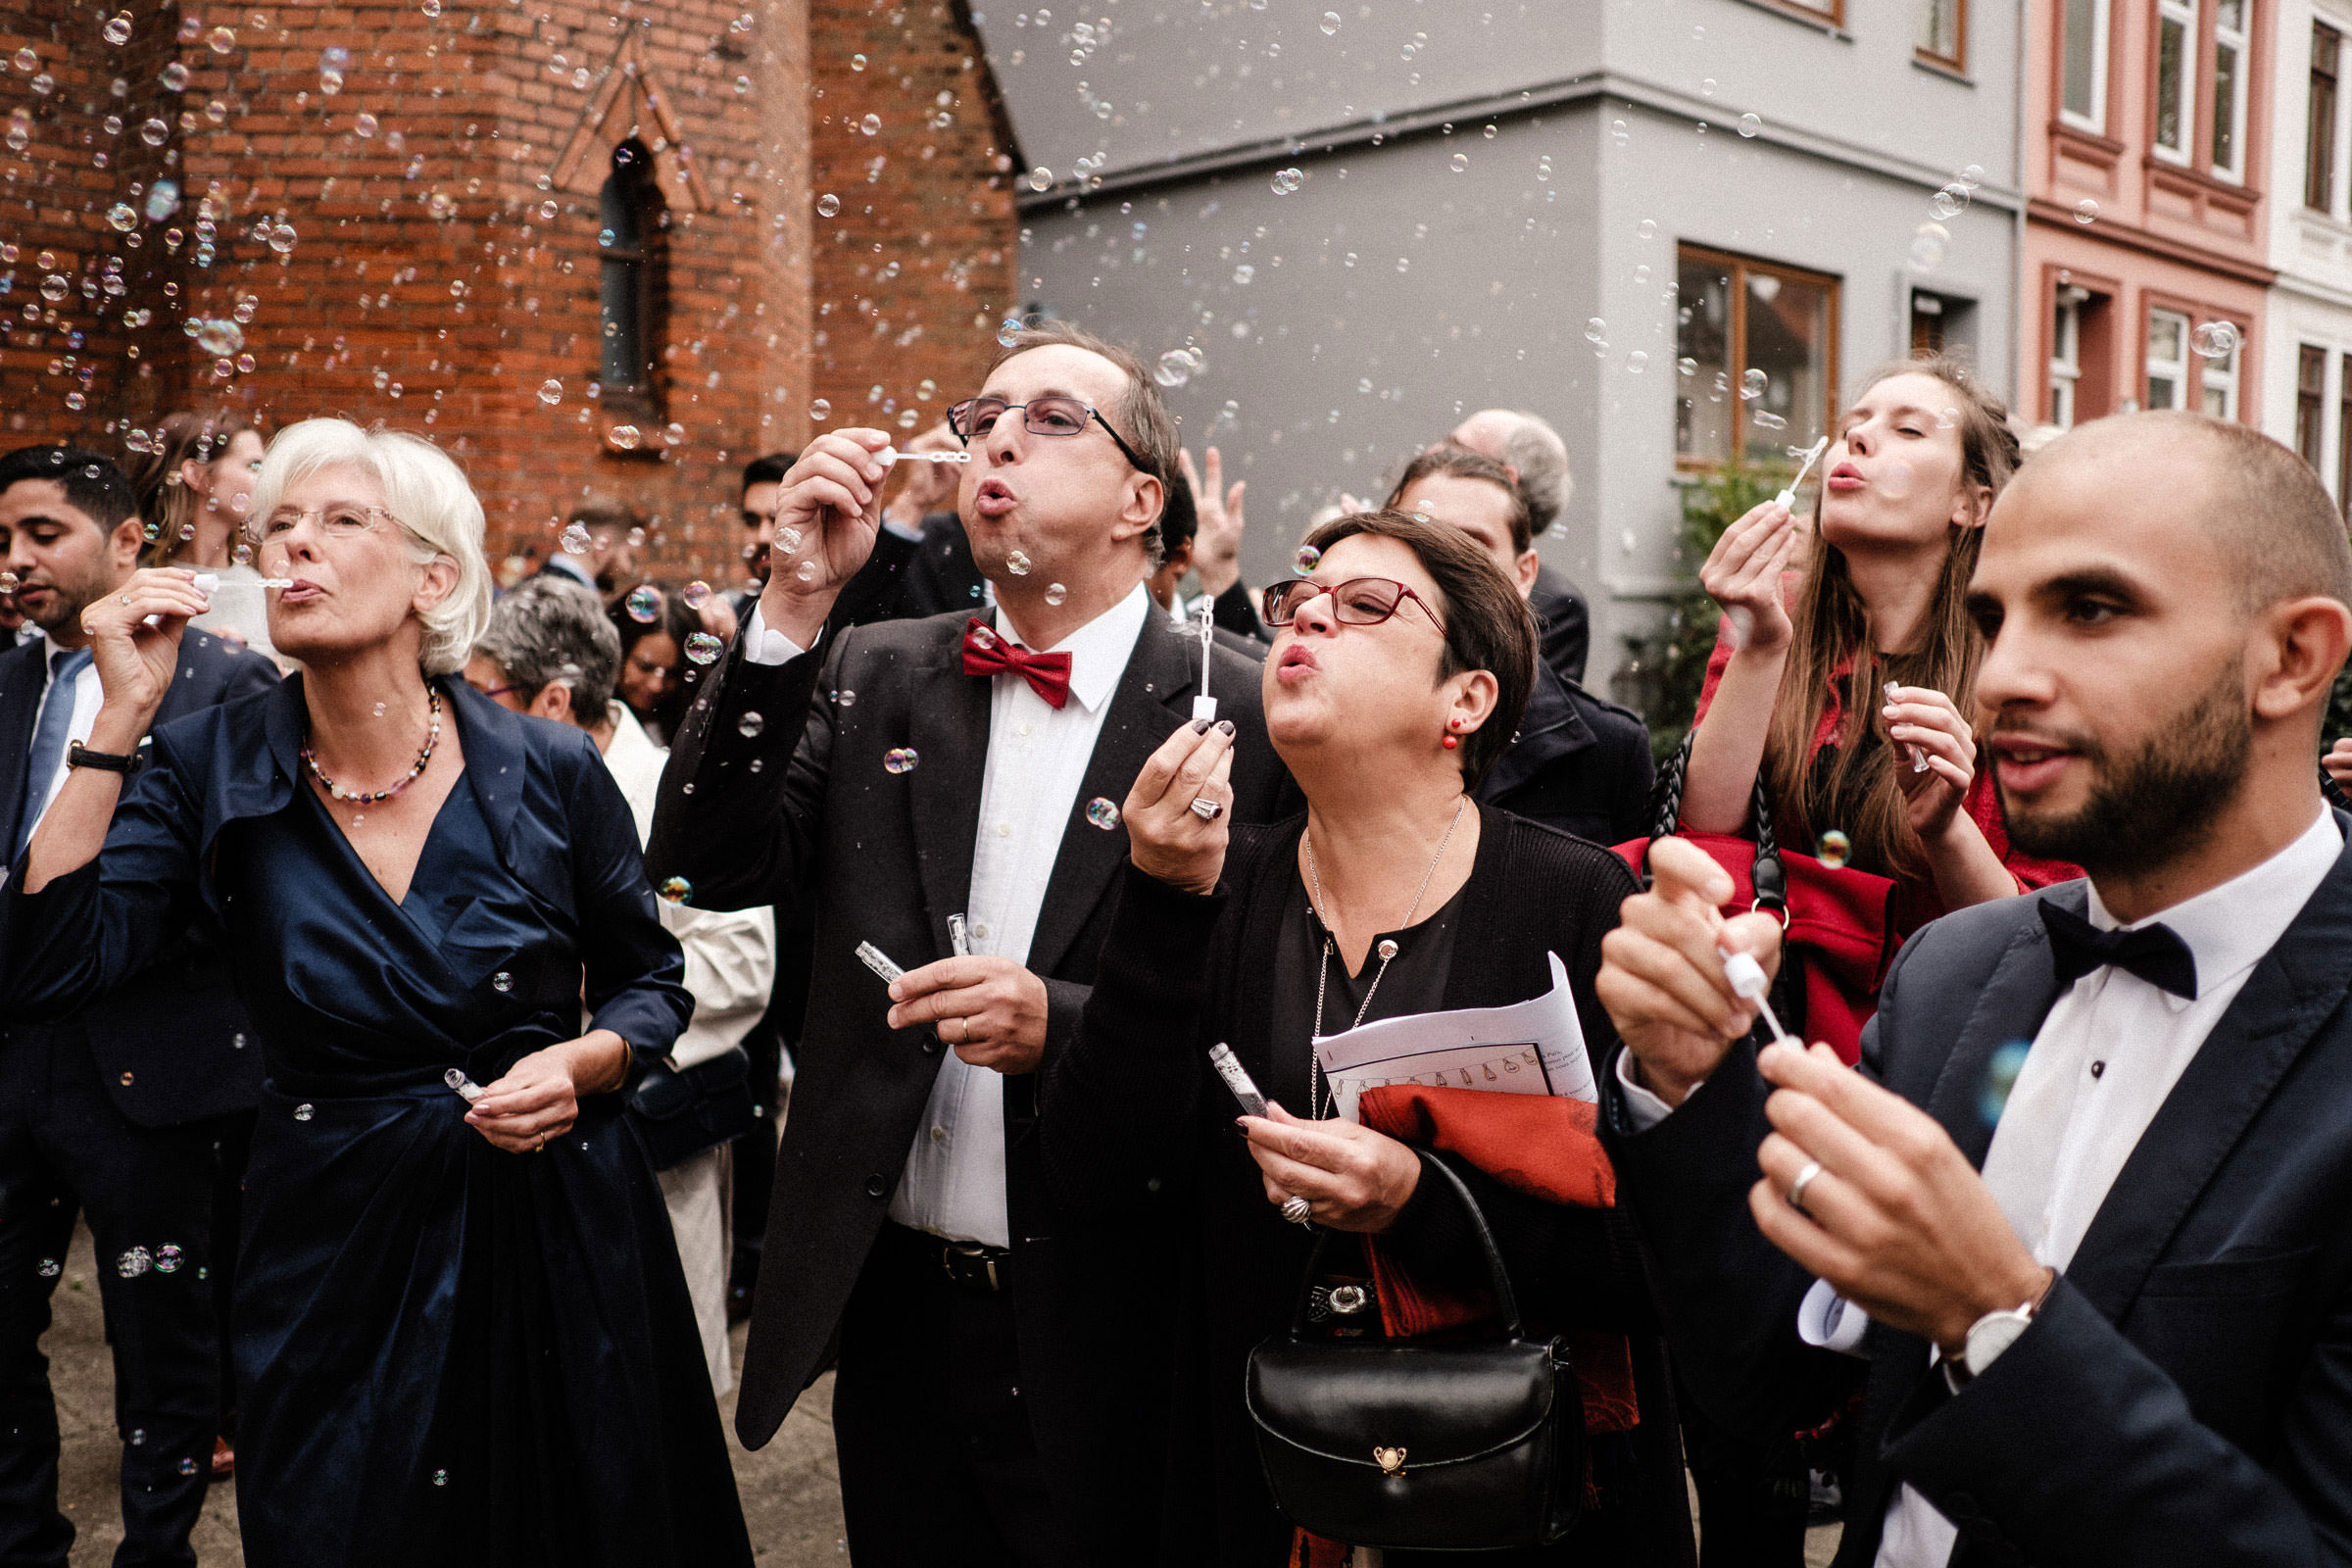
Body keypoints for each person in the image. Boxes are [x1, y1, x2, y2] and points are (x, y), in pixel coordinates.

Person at [1597, 410, 2352, 1568]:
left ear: (2293, 658)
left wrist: (1997, 1321)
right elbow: (1770, 1375)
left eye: (2091, 609)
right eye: (1993, 617)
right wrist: (1684, 1076)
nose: (2002, 677)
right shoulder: (1957, 972)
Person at [1, 419, 754, 1566]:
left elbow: (653, 981)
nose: (292, 547)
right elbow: (54, 962)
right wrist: (118, 722)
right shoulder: (206, 758)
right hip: (327, 1233)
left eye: (340, 521)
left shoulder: (546, 767)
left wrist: (584, 1061)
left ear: (433, 577)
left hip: (552, 1225)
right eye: (279, 526)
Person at [647, 320, 1296, 1565]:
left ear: (1140, 502)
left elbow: (1278, 1005)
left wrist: (1068, 1024)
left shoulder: (1247, 703)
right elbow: (701, 863)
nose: (999, 435)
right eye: (982, 414)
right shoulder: (871, 668)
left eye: (1054, 419)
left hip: (1124, 1309)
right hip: (895, 1306)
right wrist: (789, 605)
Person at [1041, 507, 1693, 1565]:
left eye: (1365, 605)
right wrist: (1161, 906)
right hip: (1266, 1479)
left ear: (1466, 697)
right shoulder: (1216, 881)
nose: (1309, 617)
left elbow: (1663, 1254)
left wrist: (1418, 1202)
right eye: (1299, 600)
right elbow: (1097, 1184)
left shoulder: (1573, 897)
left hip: (1526, 1493)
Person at [0, 445, 278, 1564]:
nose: (15, 560)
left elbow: (247, 891)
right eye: (4, 538)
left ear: (126, 544)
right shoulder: (6, 678)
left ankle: (155, 1549)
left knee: (164, 1347)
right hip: (14, 1054)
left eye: (42, 534)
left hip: (152, 1065)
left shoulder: (228, 681)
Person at [466, 577, 776, 1396]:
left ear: (556, 700)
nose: (463, 711)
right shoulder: (493, 786)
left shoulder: (675, 793)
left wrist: (595, 1020)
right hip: (520, 1135)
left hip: (648, 1130)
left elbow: (745, 966)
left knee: (648, 1376)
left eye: (483, 692)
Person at [1683, 355, 2076, 938]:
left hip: (1935, 1014)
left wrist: (1945, 828)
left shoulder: (2033, 669)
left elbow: (2036, 937)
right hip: (1782, 1001)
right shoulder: (1775, 618)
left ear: (1973, 504)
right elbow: (1706, 831)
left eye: (1908, 430)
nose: (1857, 439)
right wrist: (1761, 646)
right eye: (1851, 429)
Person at [1389, 445, 1651, 843]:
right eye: (1418, 537)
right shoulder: (1334, 720)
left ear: (1524, 573)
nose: (1439, 561)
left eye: (1470, 544)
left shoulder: (1609, 749)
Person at [1449, 408, 1590, 686]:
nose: (1432, 453)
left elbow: (1520, 714)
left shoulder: (1556, 605)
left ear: (1501, 480)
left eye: (1455, 450)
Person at [126, 409, 279, 662]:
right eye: (254, 466)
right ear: (197, 475)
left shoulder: (261, 588)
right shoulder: (138, 585)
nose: (267, 480)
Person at [611, 582, 697, 745]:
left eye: (672, 673)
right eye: (645, 667)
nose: (656, 685)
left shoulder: (686, 727)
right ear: (618, 653)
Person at [536, 494, 640, 607]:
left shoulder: (536, 588)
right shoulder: (569, 603)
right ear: (604, 545)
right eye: (629, 556)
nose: (628, 569)